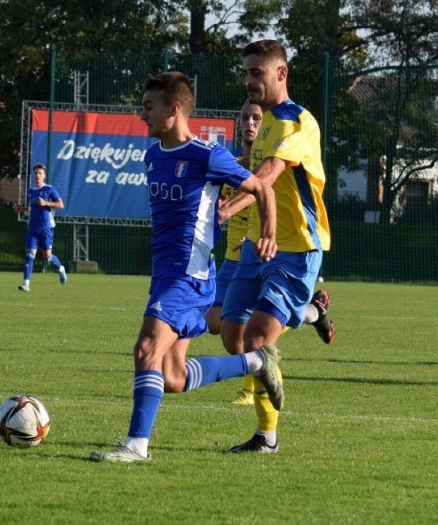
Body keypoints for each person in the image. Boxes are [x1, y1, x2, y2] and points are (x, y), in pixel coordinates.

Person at [90, 71, 281, 463]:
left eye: (148, 107)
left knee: (146, 348)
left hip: (187, 276)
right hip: (167, 274)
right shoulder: (153, 154)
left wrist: (268, 234)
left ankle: (136, 446)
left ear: (174, 109)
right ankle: (254, 362)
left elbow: (261, 187)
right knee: (173, 377)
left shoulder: (206, 155)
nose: (142, 115)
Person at [218, 39, 332, 453]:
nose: (249, 81)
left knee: (261, 339)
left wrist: (231, 206)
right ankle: (314, 311)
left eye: (257, 73)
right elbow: (253, 171)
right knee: (233, 334)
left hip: (298, 245)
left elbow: (268, 172)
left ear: (280, 73)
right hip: (257, 244)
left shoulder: (296, 121)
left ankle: (266, 438)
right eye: (246, 73)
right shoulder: (264, 121)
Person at [207, 101, 336, 407]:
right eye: (245, 117)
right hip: (237, 255)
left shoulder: (276, 155)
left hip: (272, 249)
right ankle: (312, 312)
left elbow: (267, 190)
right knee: (220, 326)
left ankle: (252, 396)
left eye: (256, 117)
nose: (251, 122)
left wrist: (249, 225)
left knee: (258, 331)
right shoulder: (231, 165)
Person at [15, 163, 67, 292]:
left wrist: (46, 203)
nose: (37, 175)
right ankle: (26, 283)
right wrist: (21, 209)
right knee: (30, 255)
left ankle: (61, 268)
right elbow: (31, 208)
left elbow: (61, 205)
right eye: (35, 173)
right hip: (33, 228)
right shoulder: (31, 191)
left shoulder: (49, 189)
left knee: (48, 257)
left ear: (44, 176)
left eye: (40, 173)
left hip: (46, 228)